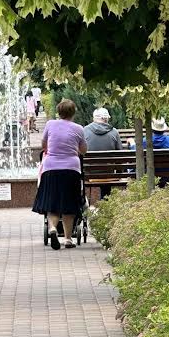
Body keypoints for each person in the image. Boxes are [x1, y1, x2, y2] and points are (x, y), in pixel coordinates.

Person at [32, 99, 88, 250]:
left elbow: (44, 146)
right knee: (69, 205)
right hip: (71, 170)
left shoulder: (50, 124)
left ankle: (52, 228)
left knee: (53, 202)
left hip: (50, 169)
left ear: (59, 112)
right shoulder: (78, 129)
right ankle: (68, 239)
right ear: (73, 113)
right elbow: (83, 150)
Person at [84, 107, 123, 199]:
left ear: (94, 118)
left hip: (89, 174)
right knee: (107, 170)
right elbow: (120, 155)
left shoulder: (85, 130)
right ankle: (105, 201)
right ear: (107, 119)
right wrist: (119, 173)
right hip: (108, 174)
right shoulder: (114, 132)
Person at [127, 117, 169, 188]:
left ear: (152, 128)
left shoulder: (145, 141)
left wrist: (132, 143)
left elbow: (135, 152)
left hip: (149, 174)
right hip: (167, 174)